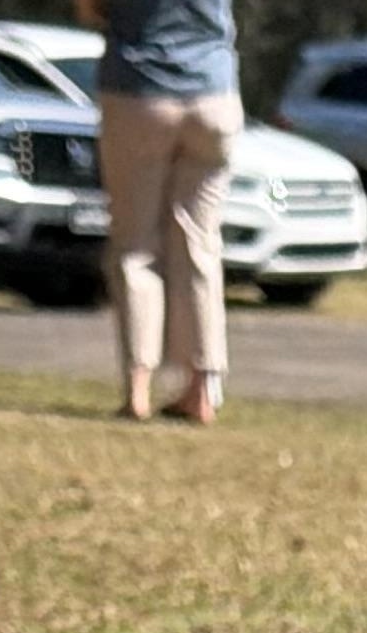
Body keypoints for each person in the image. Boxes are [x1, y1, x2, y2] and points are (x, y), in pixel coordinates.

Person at [86, 0, 238, 426]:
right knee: (200, 244)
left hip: (140, 89)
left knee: (136, 244)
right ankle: (201, 386)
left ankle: (138, 387)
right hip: (214, 93)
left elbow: (91, 9)